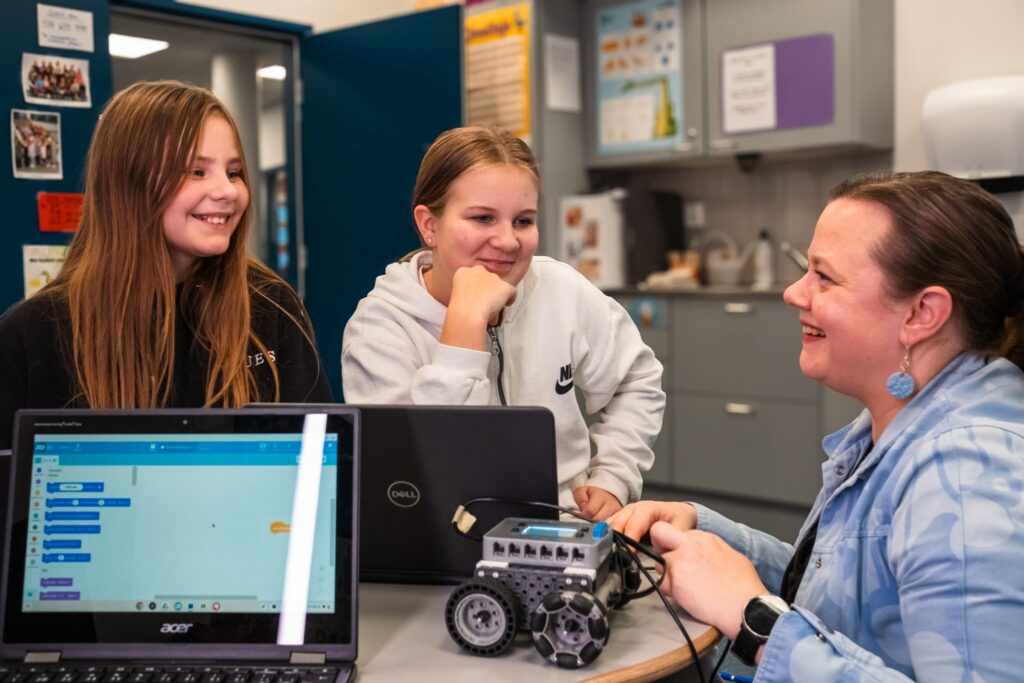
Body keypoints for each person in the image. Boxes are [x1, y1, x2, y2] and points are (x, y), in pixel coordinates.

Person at [611, 171, 1024, 681]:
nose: (792, 293)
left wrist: (754, 618)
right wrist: (706, 533)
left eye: (823, 277)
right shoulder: (900, 421)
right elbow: (840, 593)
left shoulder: (965, 479)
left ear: (922, 313)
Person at [342, 126, 664, 520]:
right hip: (447, 542)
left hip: (562, 530)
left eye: (523, 221)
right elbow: (420, 472)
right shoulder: (379, 328)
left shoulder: (560, 288)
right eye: (482, 218)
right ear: (429, 225)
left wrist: (614, 475)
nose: (509, 242)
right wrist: (464, 324)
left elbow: (636, 379)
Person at [0, 80, 331, 450]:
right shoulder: (34, 333)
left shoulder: (270, 305)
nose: (227, 190)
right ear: (129, 184)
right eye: (196, 171)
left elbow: (317, 463)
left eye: (234, 172)